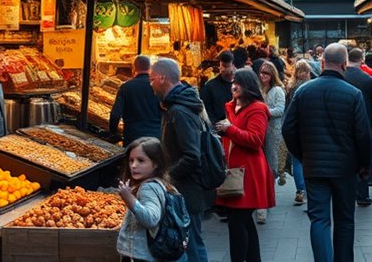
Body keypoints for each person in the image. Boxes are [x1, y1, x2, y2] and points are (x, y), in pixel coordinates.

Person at [282, 42, 372, 262]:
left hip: (314, 167)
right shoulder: (353, 94)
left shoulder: (303, 91)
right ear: (344, 64)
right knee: (344, 220)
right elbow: (363, 134)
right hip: (345, 168)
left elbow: (288, 128)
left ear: (322, 63)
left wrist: (302, 155)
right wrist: (364, 165)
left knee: (319, 219)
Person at [151, 58, 211, 262]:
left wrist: (166, 176)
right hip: (186, 189)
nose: (150, 84)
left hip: (187, 190)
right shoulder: (178, 106)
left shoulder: (179, 111)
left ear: (161, 78)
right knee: (191, 243)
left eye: (151, 79)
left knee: (192, 244)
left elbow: (192, 156)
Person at [214, 69, 275, 262]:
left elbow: (256, 140)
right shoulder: (231, 107)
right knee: (244, 221)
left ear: (248, 85)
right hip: (234, 171)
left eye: (237, 82)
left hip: (249, 172)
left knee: (237, 222)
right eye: (232, 82)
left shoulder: (257, 108)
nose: (233, 85)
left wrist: (229, 129)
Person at [116, 136, 180, 262]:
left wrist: (129, 199)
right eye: (131, 160)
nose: (134, 165)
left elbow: (150, 219)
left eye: (141, 160)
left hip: (141, 255)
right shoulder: (163, 184)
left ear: (155, 164)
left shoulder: (148, 188)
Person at [344, 47, 372, 206]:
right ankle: (363, 194)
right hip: (364, 123)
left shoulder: (341, 76)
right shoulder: (368, 79)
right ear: (362, 59)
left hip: (344, 125)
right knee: (363, 157)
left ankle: (346, 192)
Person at [256, 60, 286, 224]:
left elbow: (280, 110)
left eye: (266, 73)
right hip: (257, 132)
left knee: (270, 167)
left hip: (272, 133)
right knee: (260, 167)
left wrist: (261, 111)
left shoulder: (277, 90)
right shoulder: (258, 89)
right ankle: (262, 201)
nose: (262, 75)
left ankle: (266, 199)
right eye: (261, 72)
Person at [109, 55, 163, 145]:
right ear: (150, 68)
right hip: (156, 135)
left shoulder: (126, 87)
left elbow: (115, 114)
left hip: (133, 136)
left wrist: (113, 132)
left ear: (134, 68)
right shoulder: (158, 86)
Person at [285, 60, 313, 205]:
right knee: (309, 158)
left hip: (295, 127)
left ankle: (300, 190)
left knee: (297, 160)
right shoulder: (310, 86)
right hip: (308, 127)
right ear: (307, 72)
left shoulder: (291, 87)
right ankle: (308, 189)